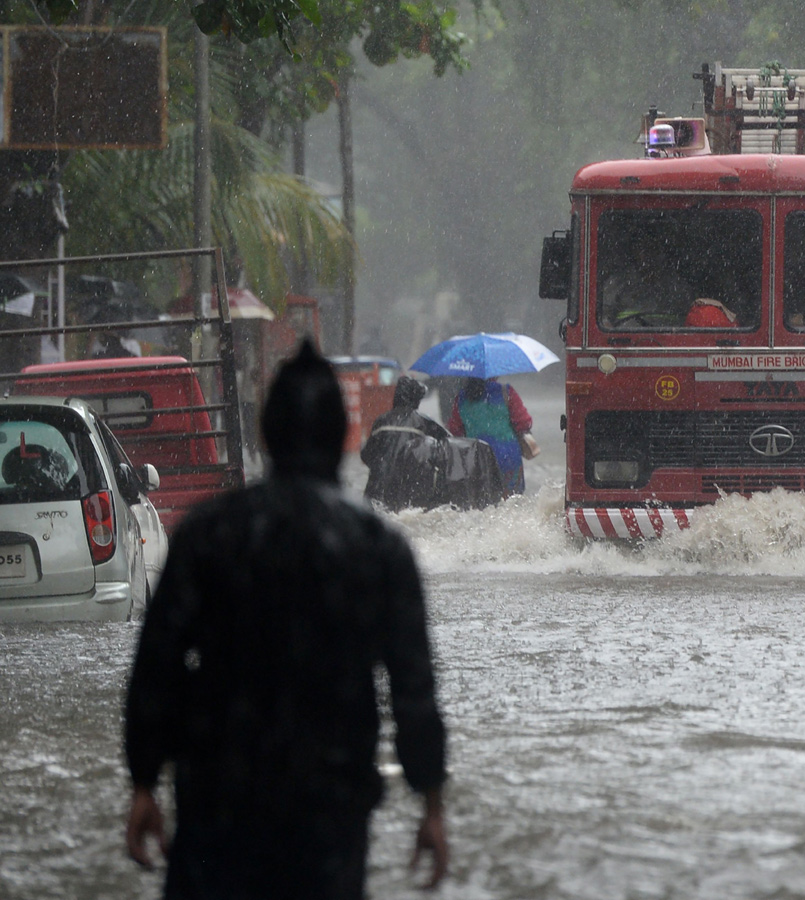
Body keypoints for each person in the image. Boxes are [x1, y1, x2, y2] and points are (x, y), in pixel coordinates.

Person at [123, 340, 449, 897]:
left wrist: (144, 783)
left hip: (218, 798)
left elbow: (157, 663)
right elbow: (412, 689)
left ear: (267, 436)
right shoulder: (378, 548)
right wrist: (431, 804)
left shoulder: (208, 533)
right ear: (338, 437)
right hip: (329, 810)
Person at [362, 375, 504, 511]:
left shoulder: (381, 421)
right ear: (415, 400)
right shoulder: (423, 422)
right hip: (404, 486)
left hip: (376, 487)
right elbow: (449, 444)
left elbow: (366, 455)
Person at [447, 376, 533, 496]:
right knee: (512, 502)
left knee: (481, 502)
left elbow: (454, 431)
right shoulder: (506, 392)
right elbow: (524, 423)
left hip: (476, 459)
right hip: (508, 458)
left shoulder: (462, 397)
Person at [599, 239, 692, 328]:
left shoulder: (677, 285)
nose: (649, 254)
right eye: (643, 248)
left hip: (672, 341)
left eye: (654, 248)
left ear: (662, 253)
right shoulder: (617, 283)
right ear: (635, 252)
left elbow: (692, 319)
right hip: (628, 342)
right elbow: (603, 319)